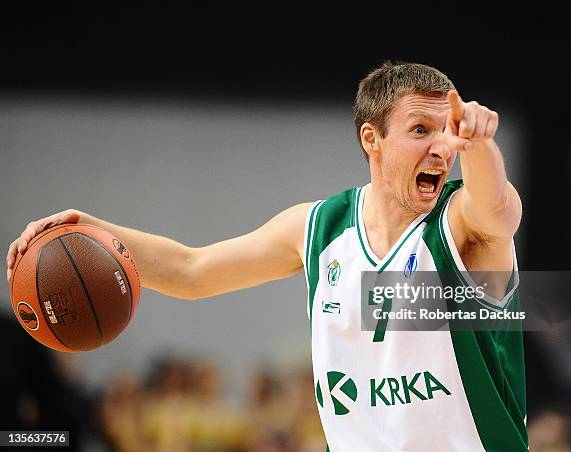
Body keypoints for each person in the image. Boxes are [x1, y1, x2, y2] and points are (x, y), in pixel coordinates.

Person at [6, 62, 526, 451]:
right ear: (372, 139)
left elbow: (498, 209)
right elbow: (192, 271)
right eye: (421, 130)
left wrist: (479, 145)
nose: (441, 146)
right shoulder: (318, 229)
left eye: (448, 131)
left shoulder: (462, 226)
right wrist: (89, 230)